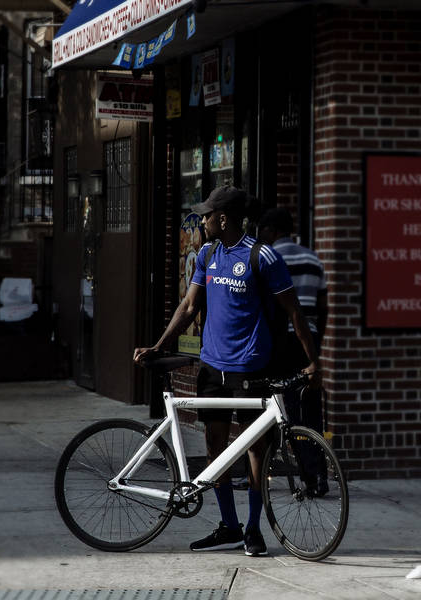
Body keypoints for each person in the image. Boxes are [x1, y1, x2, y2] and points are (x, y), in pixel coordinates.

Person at [133, 186, 321, 557]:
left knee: (255, 450)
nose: (201, 221)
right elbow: (188, 306)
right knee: (215, 447)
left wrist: (313, 360)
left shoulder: (262, 257)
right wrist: (160, 344)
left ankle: (253, 529)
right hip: (212, 366)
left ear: (223, 219)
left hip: (250, 367)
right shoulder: (206, 253)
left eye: (206, 215)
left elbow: (295, 312)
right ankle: (229, 526)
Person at [258, 207, 329, 495]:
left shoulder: (271, 257)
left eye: (263, 231)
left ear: (272, 231)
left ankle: (305, 476)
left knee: (287, 411)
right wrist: (316, 344)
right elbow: (323, 307)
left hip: (281, 342)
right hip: (308, 342)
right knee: (312, 410)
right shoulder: (313, 258)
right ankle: (321, 474)